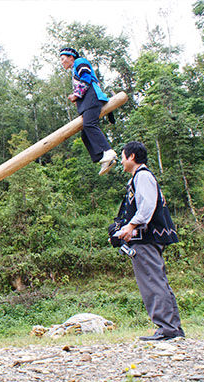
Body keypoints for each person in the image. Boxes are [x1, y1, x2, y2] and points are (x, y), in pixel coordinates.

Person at [115, 141, 185, 341]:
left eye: (122, 157)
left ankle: (168, 329)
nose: (121, 161)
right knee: (156, 280)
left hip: (146, 238)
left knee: (152, 282)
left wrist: (131, 226)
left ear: (132, 157)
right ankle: (171, 327)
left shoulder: (142, 176)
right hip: (148, 237)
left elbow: (147, 207)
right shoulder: (139, 178)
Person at [59, 47, 117, 175]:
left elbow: (86, 78)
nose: (62, 62)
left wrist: (76, 94)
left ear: (71, 57)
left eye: (63, 59)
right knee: (85, 134)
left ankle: (108, 151)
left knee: (89, 125)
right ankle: (102, 158)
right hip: (87, 102)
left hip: (92, 98)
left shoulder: (80, 62)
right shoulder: (74, 69)